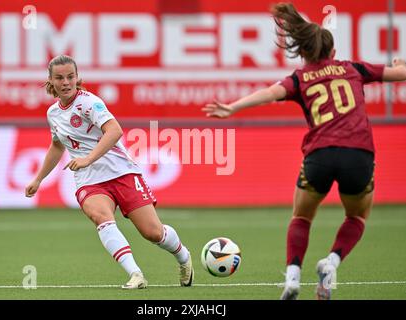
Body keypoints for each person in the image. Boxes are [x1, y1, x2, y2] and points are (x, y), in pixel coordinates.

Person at [203, 3, 406, 300]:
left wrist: (232, 107)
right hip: (358, 155)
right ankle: (331, 263)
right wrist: (400, 65)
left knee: (302, 216)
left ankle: (293, 278)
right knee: (357, 217)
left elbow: (269, 93)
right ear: (332, 53)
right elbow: (399, 74)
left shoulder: (300, 78)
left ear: (305, 53)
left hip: (320, 156)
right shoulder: (354, 69)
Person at [25, 54, 193, 289]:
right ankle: (135, 274)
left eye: (70, 77)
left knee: (153, 233)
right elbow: (57, 145)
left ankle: (184, 258)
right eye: (60, 78)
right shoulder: (53, 113)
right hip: (89, 180)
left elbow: (114, 131)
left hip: (121, 172)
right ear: (50, 81)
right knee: (101, 218)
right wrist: (38, 179)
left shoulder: (89, 103)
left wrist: (88, 158)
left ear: (77, 78)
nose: (65, 82)